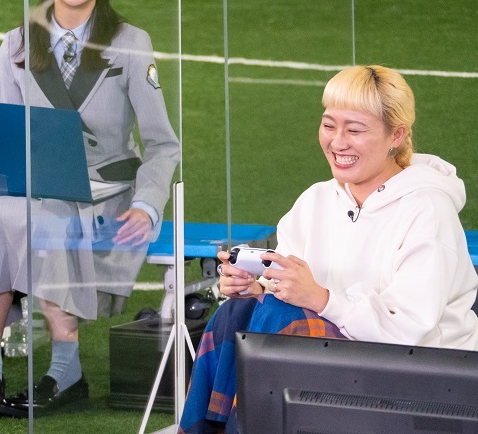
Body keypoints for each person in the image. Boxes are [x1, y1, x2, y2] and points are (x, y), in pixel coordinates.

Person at [0, 0, 181, 417]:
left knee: (47, 221)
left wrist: (147, 207)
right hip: (36, 189)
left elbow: (163, 144)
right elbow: (7, 134)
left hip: (104, 194)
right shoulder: (15, 43)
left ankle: (66, 370)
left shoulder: (131, 42)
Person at [179, 65, 478, 434]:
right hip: (342, 360)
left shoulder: (428, 210)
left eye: (355, 130)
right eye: (328, 125)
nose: (337, 142)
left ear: (396, 135)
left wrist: (321, 298)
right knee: (236, 313)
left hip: (426, 379)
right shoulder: (315, 200)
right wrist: (255, 287)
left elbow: (407, 332)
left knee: (279, 318)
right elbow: (284, 293)